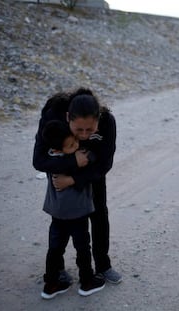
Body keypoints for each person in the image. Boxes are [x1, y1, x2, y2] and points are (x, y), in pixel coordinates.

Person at [33, 88, 122, 286]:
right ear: (67, 118)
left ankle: (102, 265)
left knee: (99, 213)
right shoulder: (52, 116)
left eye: (89, 130)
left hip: (92, 170)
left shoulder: (108, 122)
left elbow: (105, 164)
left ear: (98, 119)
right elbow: (39, 160)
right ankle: (57, 269)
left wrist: (75, 179)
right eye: (78, 130)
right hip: (62, 169)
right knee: (61, 221)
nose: (83, 135)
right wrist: (72, 162)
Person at [40, 120, 105, 299]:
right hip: (78, 213)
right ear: (58, 150)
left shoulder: (50, 161)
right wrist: (83, 156)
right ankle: (87, 281)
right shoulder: (77, 158)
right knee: (83, 247)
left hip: (57, 215)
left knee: (55, 248)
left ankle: (51, 284)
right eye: (71, 145)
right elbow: (92, 158)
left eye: (75, 141)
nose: (77, 145)